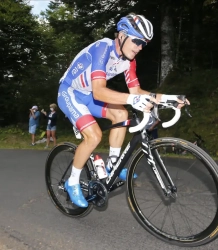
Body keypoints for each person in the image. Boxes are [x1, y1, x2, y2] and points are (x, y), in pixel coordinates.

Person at [57, 13, 189, 207]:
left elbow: (137, 91)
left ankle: (113, 164)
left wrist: (168, 98)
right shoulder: (103, 48)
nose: (139, 47)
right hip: (70, 92)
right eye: (136, 41)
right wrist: (132, 99)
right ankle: (72, 181)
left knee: (121, 113)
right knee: (93, 136)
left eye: (143, 44)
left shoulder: (129, 60)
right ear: (122, 35)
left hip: (90, 94)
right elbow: (100, 91)